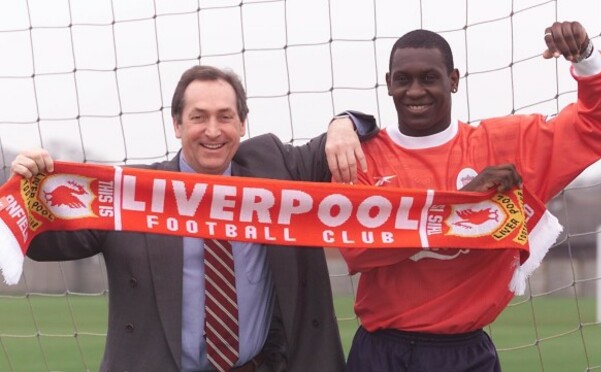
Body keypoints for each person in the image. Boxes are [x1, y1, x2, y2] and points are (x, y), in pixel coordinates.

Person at [9, 65, 378, 372]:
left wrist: (344, 123)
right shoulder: (133, 193)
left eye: (225, 117)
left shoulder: (275, 169)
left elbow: (345, 138)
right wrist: (30, 186)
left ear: (243, 123)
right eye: (198, 117)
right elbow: (44, 242)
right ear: (177, 125)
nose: (213, 131)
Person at [340, 21, 601, 371]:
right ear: (389, 83)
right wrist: (462, 204)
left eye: (429, 78)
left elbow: (593, 127)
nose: (416, 91)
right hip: (381, 352)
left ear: (453, 80)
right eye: (403, 79)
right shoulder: (362, 156)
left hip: (464, 352)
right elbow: (358, 249)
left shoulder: (502, 145)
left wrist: (585, 58)